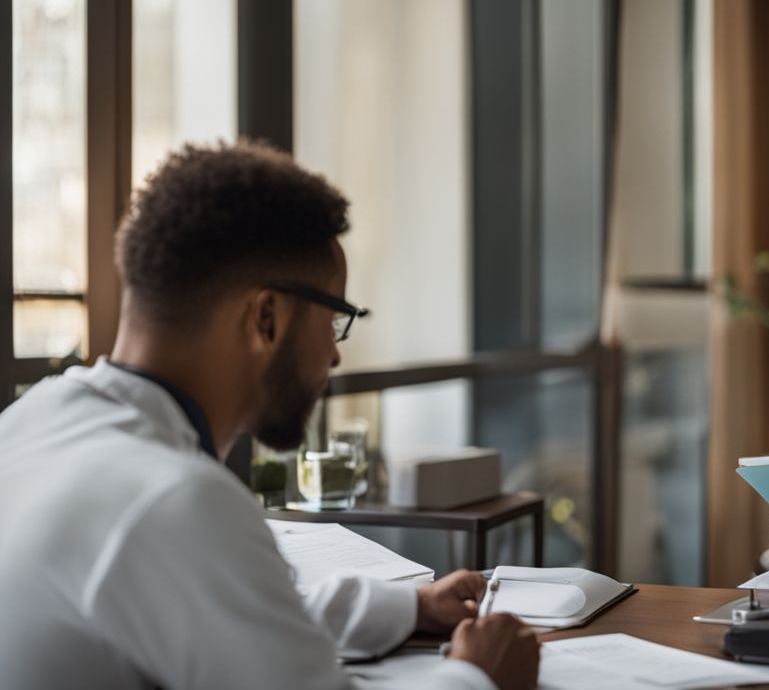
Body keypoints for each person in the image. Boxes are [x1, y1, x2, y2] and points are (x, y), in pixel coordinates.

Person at [0, 143, 539, 689]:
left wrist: (410, 607)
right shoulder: (175, 500)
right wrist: (479, 675)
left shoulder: (32, 422)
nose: (334, 355)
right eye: (334, 322)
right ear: (266, 317)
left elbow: (228, 612)